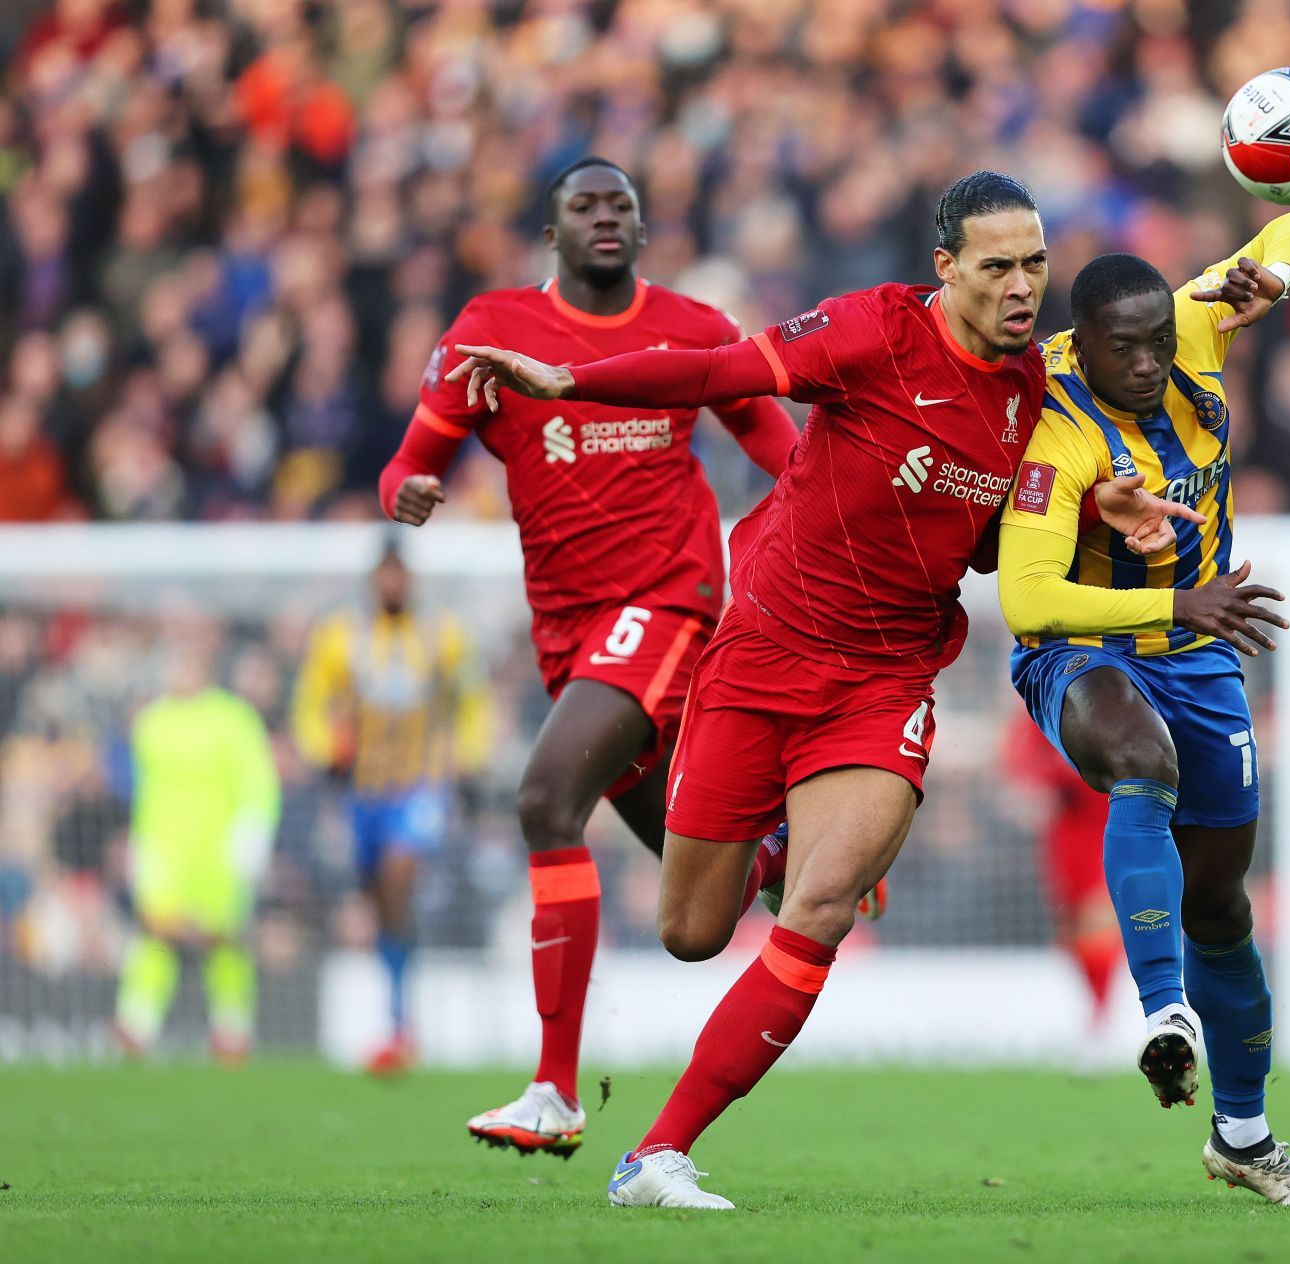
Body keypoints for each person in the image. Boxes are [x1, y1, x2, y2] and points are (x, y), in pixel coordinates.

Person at [448, 170, 1191, 1209]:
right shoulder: (869, 332)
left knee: (824, 910)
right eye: (998, 267)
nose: (1024, 287)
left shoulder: (1040, 396)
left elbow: (997, 544)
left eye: (1035, 264)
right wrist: (573, 384)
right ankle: (771, 847)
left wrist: (1094, 509)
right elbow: (717, 370)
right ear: (946, 268)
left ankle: (656, 1152)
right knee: (692, 933)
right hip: (761, 650)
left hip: (885, 678)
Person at [377, 157, 800, 1157]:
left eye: (622, 205)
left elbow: (781, 448)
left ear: (643, 232)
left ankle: (553, 1089)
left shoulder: (694, 329)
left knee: (542, 800)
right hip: (569, 630)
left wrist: (829, 525)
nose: (605, 217)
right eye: (584, 204)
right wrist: (407, 488)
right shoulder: (490, 331)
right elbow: (415, 453)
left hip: (669, 601)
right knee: (704, 885)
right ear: (551, 232)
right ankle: (793, 851)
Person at [997, 207, 1290, 1205]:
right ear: (1082, 342)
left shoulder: (1190, 322)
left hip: (1200, 653)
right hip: (1085, 649)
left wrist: (1270, 275)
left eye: (1158, 341)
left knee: (1222, 908)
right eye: (1126, 348)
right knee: (1139, 762)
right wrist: (1177, 597)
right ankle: (1162, 1013)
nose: (1149, 362)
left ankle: (1244, 1136)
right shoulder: (1057, 430)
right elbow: (1025, 598)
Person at [290, 539, 491, 1074]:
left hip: (418, 785)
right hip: (362, 791)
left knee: (400, 872)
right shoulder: (343, 638)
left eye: (400, 574)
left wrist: (469, 759)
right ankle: (399, 1019)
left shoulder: (440, 636)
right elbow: (310, 702)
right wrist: (322, 749)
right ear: (373, 580)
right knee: (382, 904)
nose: (393, 584)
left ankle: (401, 1020)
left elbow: (473, 699)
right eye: (385, 574)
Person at [116, 619, 280, 1064]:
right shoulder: (151, 722)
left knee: (223, 941)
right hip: (165, 851)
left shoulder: (233, 719)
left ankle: (232, 1030)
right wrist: (139, 844)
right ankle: (135, 1025)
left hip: (218, 854)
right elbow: (143, 791)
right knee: (155, 935)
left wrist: (253, 834)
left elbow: (260, 784)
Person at [1002, 714, 1121, 1042]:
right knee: (1073, 930)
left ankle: (1109, 1017)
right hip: (1065, 833)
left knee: (1101, 921)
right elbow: (1022, 754)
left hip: (1111, 821)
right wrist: (1032, 784)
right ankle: (1096, 1016)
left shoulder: (1121, 689)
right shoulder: (1045, 695)